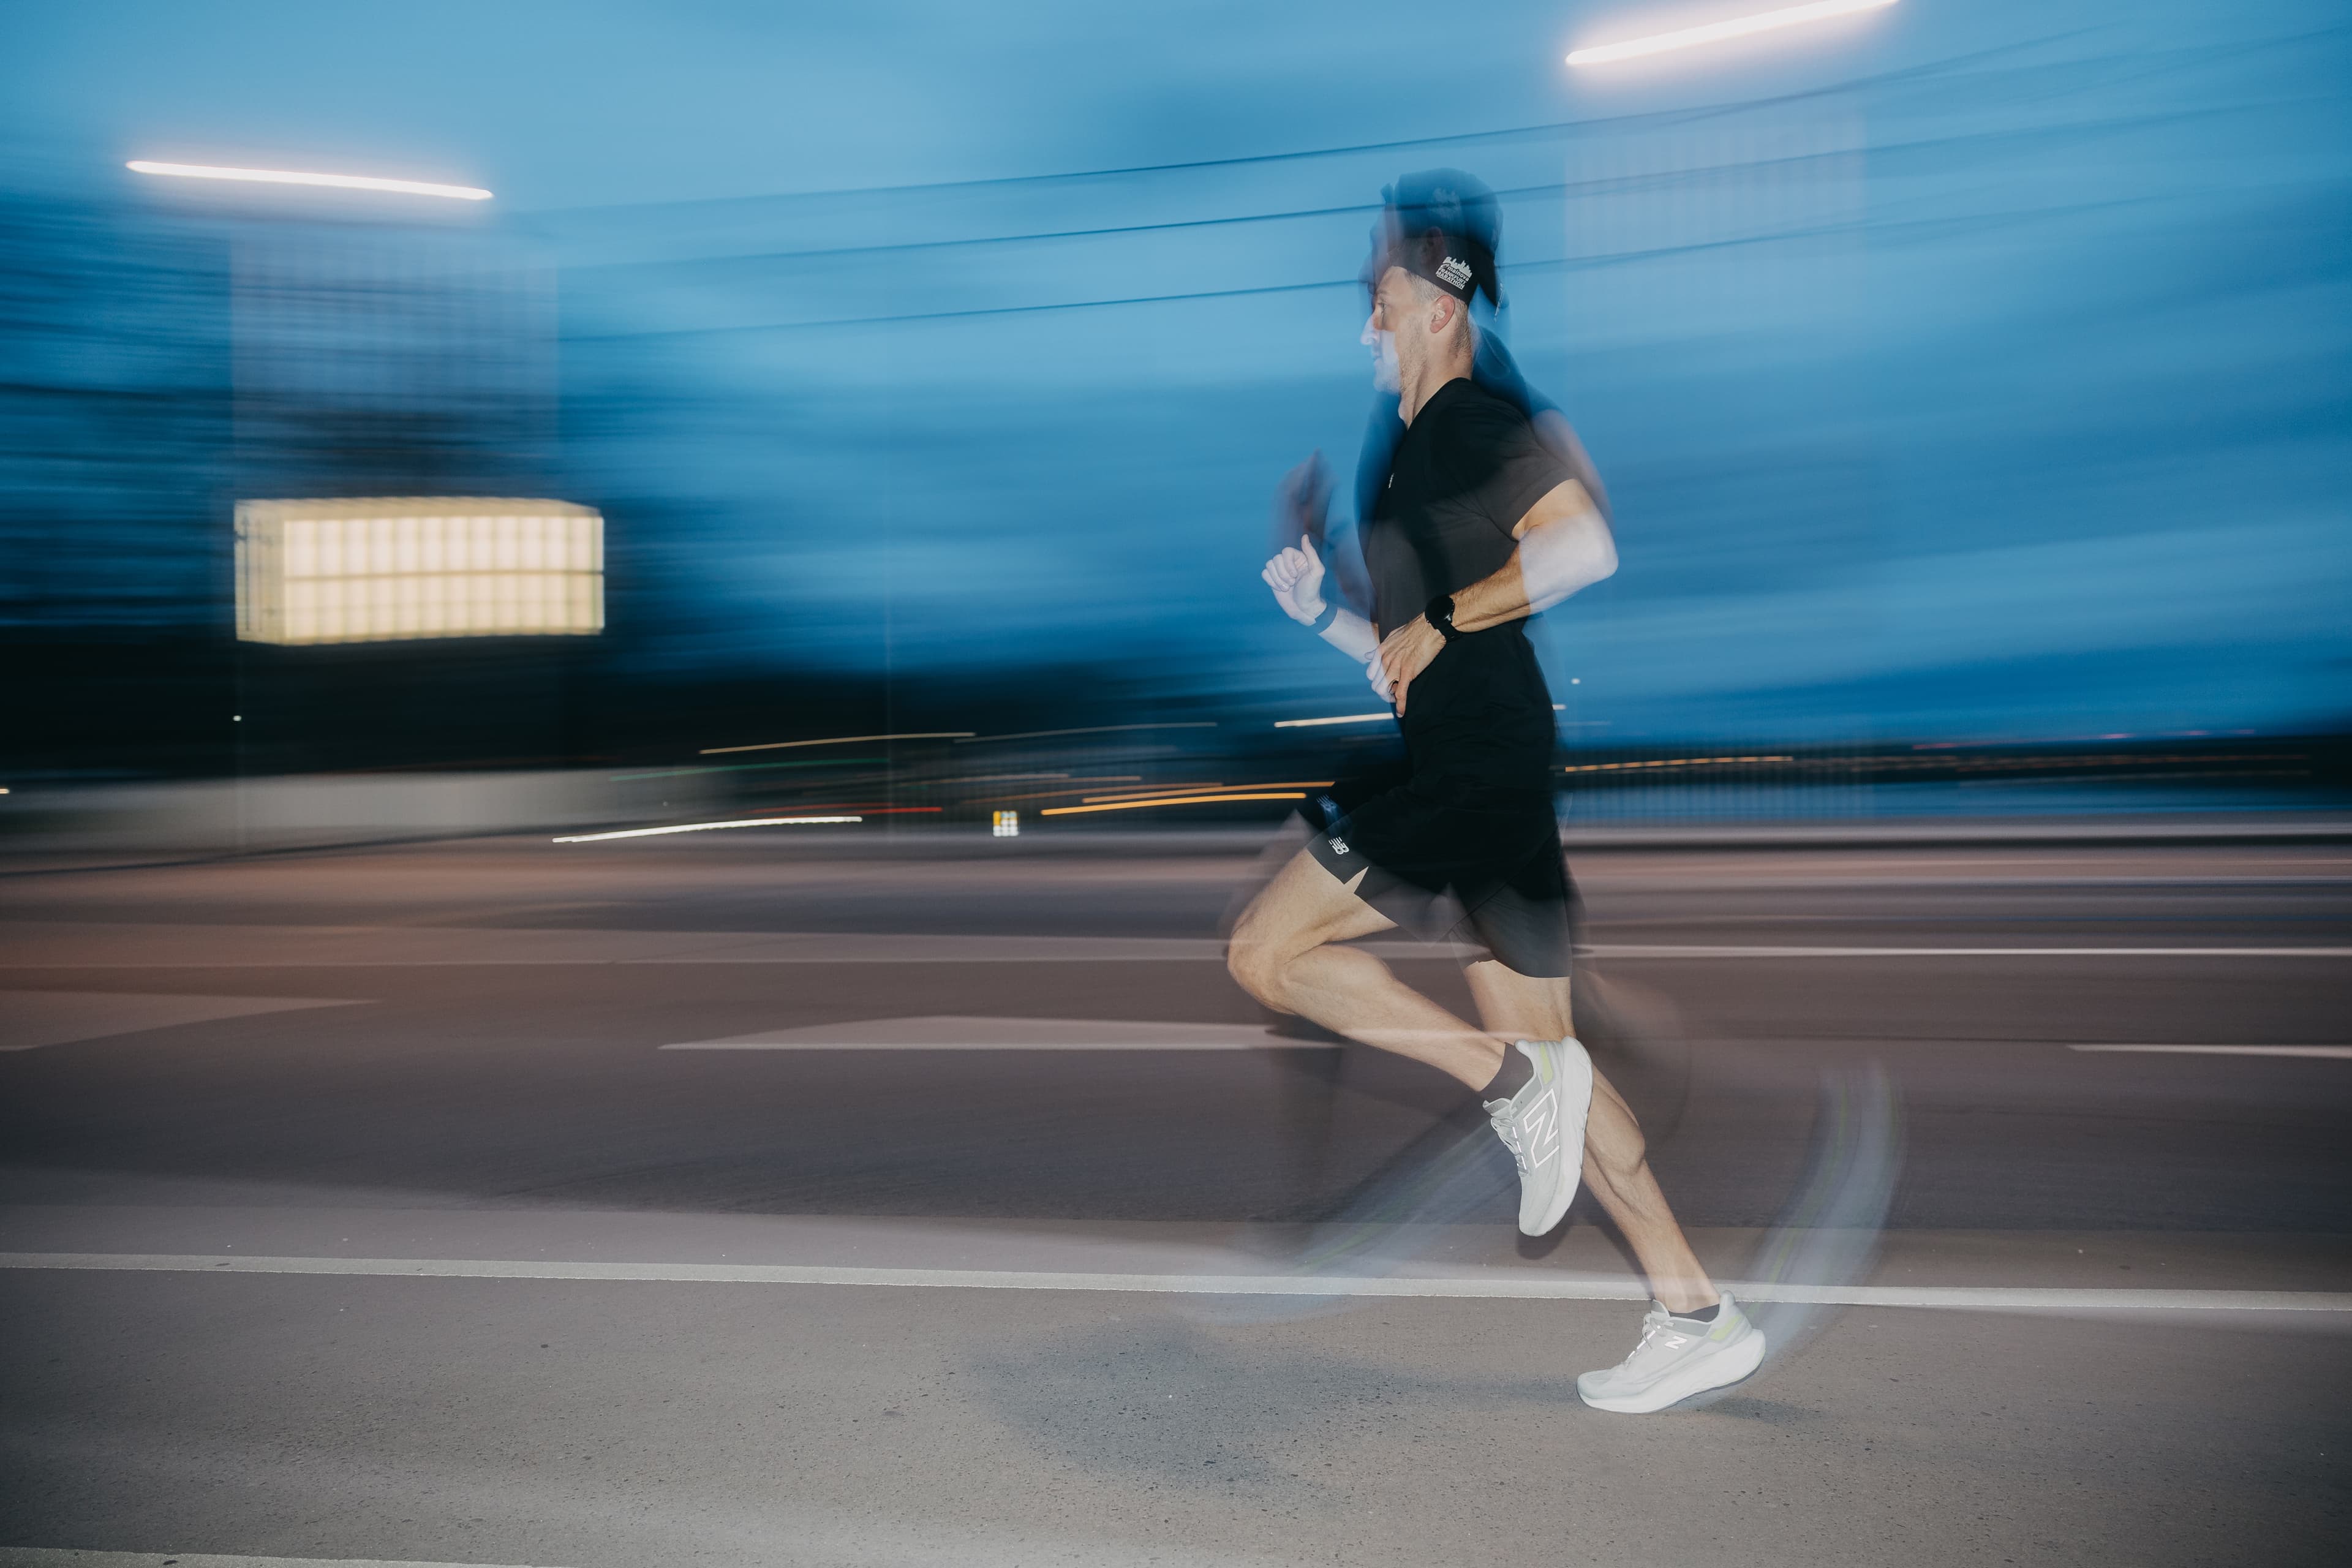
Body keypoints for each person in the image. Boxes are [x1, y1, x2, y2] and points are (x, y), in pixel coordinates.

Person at [1230, 172, 1765, 1414]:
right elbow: (1407, 662)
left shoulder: (1465, 420)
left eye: (1380, 292)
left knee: (1270, 950)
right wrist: (1323, 610)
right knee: (1560, 1056)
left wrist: (1458, 610)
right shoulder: (1407, 454)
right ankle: (1696, 1309)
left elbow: (1584, 542)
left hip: (1476, 769)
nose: (1363, 316)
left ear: (1438, 305)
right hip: (1483, 758)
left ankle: (1514, 1089)